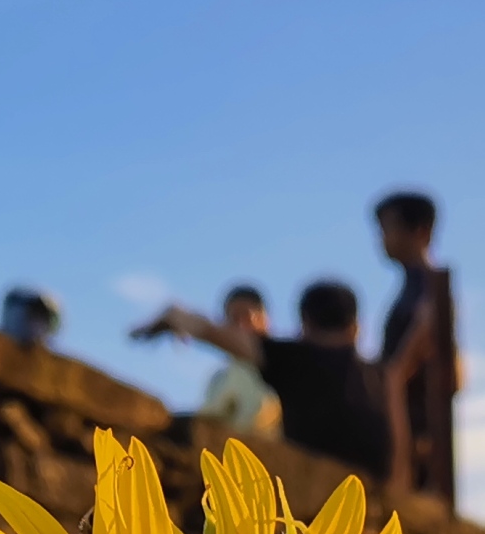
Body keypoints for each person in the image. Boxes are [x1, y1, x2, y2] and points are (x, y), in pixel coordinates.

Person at [134, 280, 387, 480]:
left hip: (308, 492)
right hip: (378, 499)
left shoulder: (291, 359)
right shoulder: (382, 377)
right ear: (356, 327)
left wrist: (170, 317)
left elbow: (206, 329)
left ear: (305, 323)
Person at [375, 191, 457, 504]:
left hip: (416, 422)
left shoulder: (430, 287)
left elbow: (402, 366)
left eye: (388, 229)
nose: (382, 240)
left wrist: (393, 380)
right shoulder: (413, 286)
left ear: (419, 231)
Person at [194, 287, 281, 439]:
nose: (240, 325)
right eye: (234, 319)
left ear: (264, 319)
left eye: (247, 317)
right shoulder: (219, 380)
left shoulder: (287, 367)